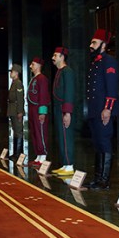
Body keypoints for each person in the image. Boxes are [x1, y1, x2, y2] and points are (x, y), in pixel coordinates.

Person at [84, 29, 119, 190]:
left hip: (104, 110)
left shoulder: (109, 62)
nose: (91, 46)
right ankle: (98, 178)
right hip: (94, 110)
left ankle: (104, 180)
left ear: (103, 45)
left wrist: (108, 109)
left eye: (94, 43)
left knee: (104, 143)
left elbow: (111, 88)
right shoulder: (95, 63)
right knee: (97, 144)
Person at [51, 47, 76, 176]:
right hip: (58, 108)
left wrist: (67, 112)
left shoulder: (67, 71)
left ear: (62, 56)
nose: (53, 58)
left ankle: (69, 165)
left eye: (55, 55)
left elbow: (69, 92)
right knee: (61, 137)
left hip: (63, 109)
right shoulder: (60, 71)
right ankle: (65, 164)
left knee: (66, 136)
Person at [27, 57, 50, 166]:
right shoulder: (34, 78)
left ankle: (43, 155)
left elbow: (43, 96)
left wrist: (42, 112)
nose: (31, 66)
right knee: (35, 132)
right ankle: (38, 155)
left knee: (40, 131)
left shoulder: (42, 79)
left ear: (38, 65)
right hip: (32, 108)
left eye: (32, 64)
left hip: (38, 109)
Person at [7, 64, 25, 160]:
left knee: (18, 132)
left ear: (16, 73)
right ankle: (15, 153)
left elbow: (20, 98)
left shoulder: (18, 83)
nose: (11, 73)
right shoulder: (14, 83)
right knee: (15, 131)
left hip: (16, 110)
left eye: (12, 71)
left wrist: (20, 112)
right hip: (12, 110)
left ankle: (18, 154)